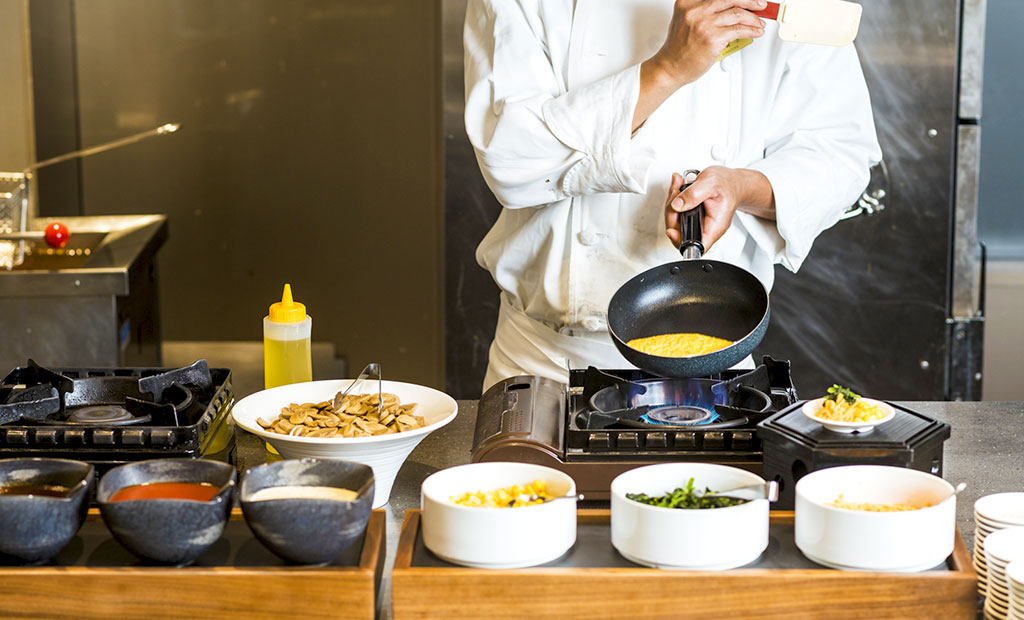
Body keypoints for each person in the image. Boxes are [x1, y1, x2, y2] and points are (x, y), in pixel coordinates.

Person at [464, 0, 881, 391]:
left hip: (714, 361)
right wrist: (669, 68)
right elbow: (509, 158)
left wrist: (739, 188)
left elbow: (840, 153)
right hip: (546, 364)